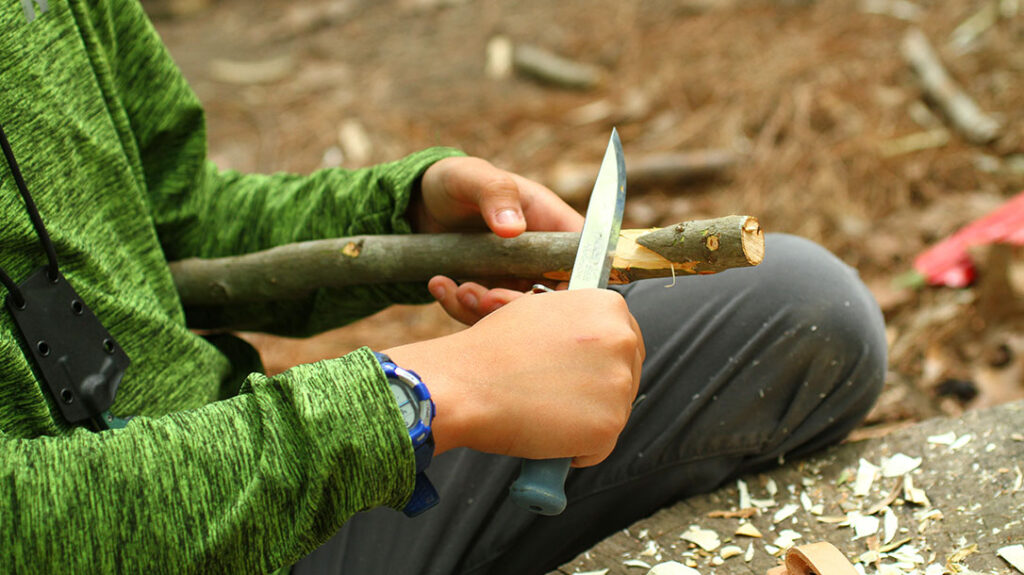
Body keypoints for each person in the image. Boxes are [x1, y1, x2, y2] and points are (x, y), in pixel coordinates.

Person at [0, 2, 887, 574]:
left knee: (808, 313)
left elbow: (172, 221)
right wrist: (421, 398)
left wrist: (410, 212)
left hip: (279, 501)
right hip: (191, 516)